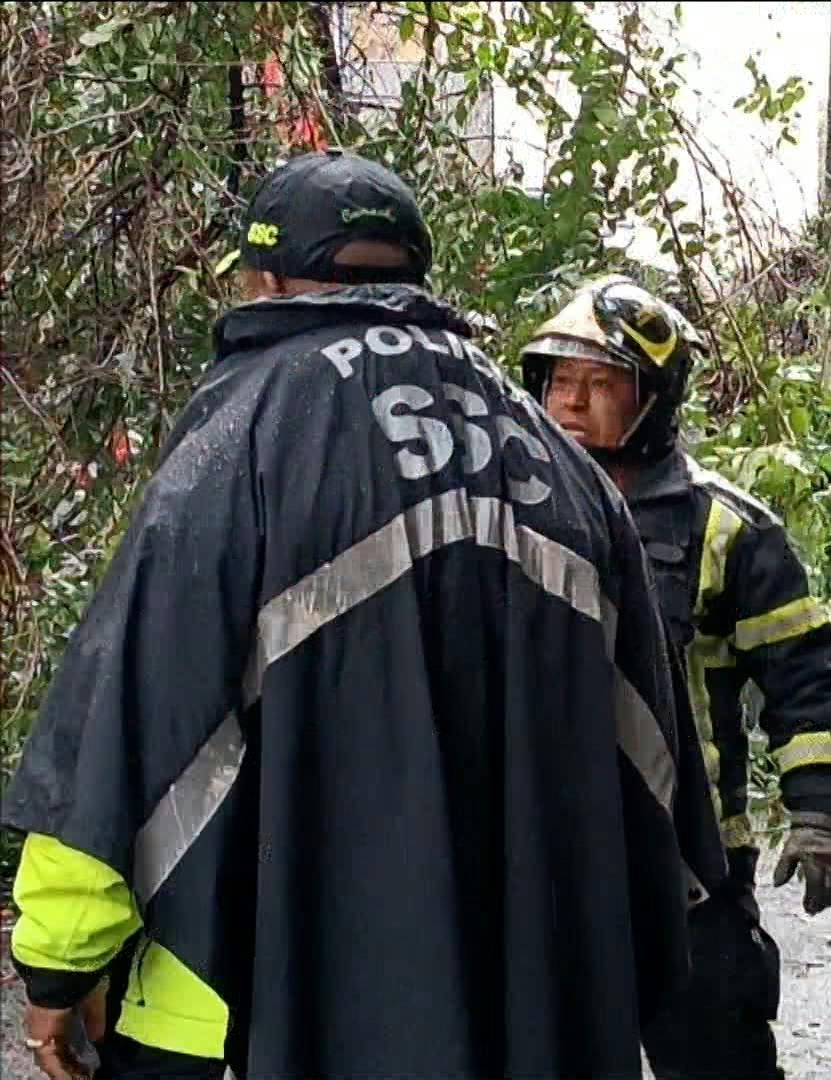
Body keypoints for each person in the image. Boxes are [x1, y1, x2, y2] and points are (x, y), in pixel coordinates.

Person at [3, 150, 726, 1080]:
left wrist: (58, 968)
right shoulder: (567, 471)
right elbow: (653, 767)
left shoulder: (241, 443)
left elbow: (127, 726)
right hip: (533, 1013)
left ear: (264, 282)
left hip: (241, 1015)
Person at [520, 277, 831, 1080]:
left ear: (654, 397)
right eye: (559, 382)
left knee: (716, 1059)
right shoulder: (509, 516)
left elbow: (803, 679)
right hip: (550, 856)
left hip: (691, 871)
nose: (570, 403)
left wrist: (819, 815)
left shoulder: (729, 529)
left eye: (599, 383)